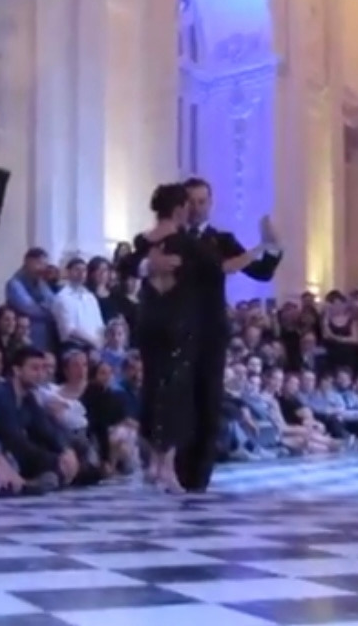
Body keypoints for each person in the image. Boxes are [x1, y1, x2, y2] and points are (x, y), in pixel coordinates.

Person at [125, 183, 265, 493]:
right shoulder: (189, 243)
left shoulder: (145, 239)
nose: (194, 208)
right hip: (177, 326)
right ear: (180, 208)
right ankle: (166, 468)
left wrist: (147, 264)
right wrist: (259, 249)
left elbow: (125, 261)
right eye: (189, 203)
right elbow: (221, 266)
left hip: (151, 321)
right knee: (174, 395)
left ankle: (156, 465)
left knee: (155, 389)